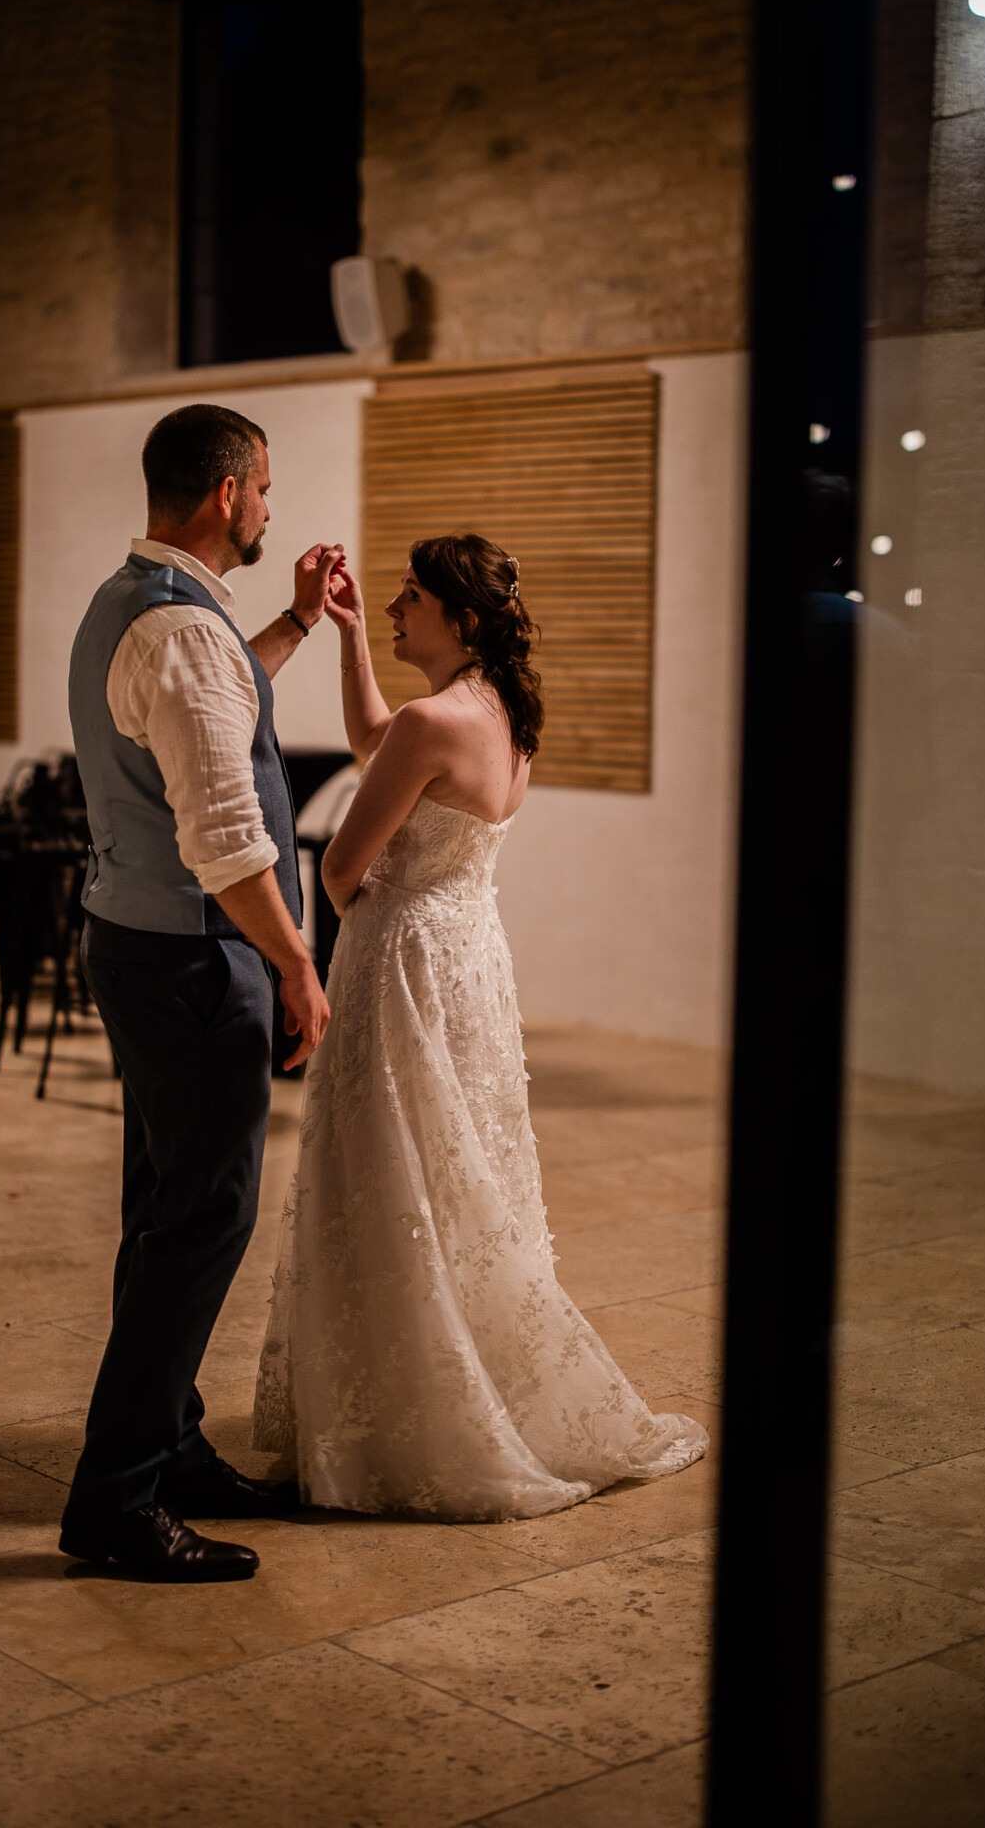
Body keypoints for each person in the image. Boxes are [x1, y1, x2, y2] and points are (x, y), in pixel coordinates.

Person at [253, 534, 708, 1519]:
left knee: (389, 1165)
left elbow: (338, 869)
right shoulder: (502, 712)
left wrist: (357, 890)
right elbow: (384, 742)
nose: (392, 609)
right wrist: (344, 641)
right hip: (470, 959)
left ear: (459, 616)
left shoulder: (432, 721)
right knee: (458, 1171)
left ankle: (396, 1409)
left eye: (410, 599)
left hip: (402, 962)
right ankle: (468, 1378)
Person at [59, 403, 339, 1581]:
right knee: (204, 1222)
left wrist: (294, 626)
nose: (272, 508)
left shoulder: (151, 610)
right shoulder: (178, 634)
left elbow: (215, 714)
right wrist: (293, 963)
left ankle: (170, 1445)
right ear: (228, 494)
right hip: (189, 958)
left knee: (165, 1211)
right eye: (266, 489)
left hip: (139, 943)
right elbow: (227, 839)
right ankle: (117, 1501)